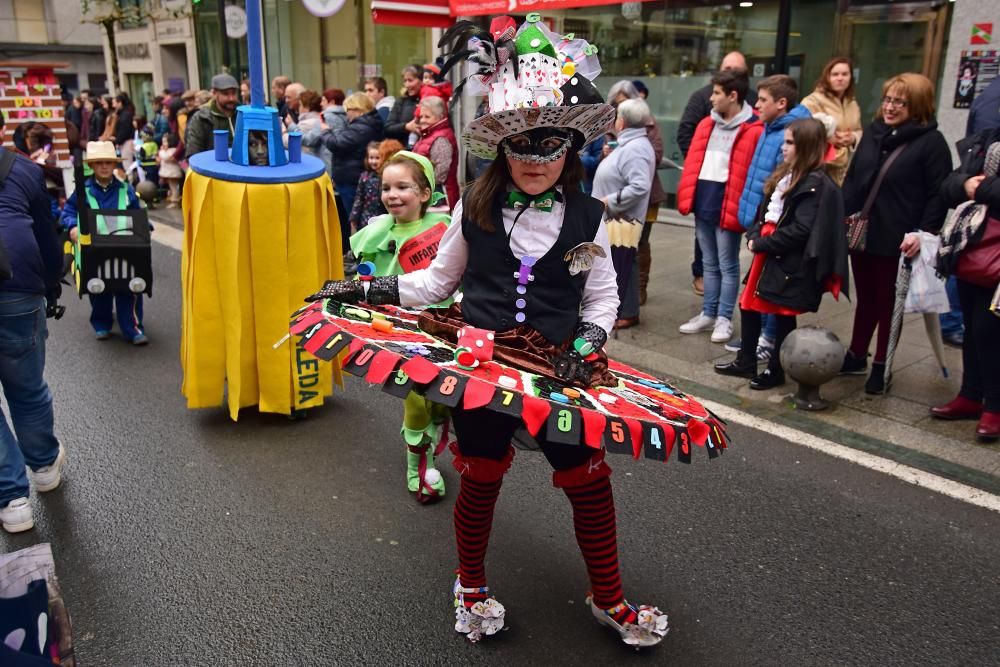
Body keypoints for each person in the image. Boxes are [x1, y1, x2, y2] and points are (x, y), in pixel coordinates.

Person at [306, 15, 668, 647]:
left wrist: (588, 346)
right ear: (502, 147)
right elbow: (433, 286)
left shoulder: (589, 214)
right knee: (480, 474)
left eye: (549, 147)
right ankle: (469, 584)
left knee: (586, 476)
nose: (535, 162)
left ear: (568, 149)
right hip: (483, 368)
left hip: (560, 370)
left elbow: (603, 297)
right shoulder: (474, 206)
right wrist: (365, 288)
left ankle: (607, 595)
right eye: (521, 146)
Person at [349, 151, 454, 501]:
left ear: (424, 194)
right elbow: (363, 275)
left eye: (403, 187)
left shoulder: (445, 229)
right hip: (394, 331)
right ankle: (418, 468)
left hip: (441, 325)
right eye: (386, 187)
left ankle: (437, 425)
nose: (392, 194)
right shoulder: (375, 231)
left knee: (441, 396)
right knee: (414, 397)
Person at [840, 73, 952, 394]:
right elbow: (854, 178)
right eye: (887, 99)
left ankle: (881, 366)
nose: (889, 107)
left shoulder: (931, 143)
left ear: (917, 105)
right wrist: (843, 215)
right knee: (867, 300)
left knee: (890, 304)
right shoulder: (875, 133)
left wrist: (925, 232)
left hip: (899, 238)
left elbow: (938, 194)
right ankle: (857, 353)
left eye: (899, 102)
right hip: (863, 233)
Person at [715, 118, 848, 389]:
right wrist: (754, 235)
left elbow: (801, 230)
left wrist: (762, 244)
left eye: (790, 143)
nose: (784, 148)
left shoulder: (815, 183)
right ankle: (746, 360)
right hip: (769, 253)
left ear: (806, 146)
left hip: (788, 260)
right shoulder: (786, 174)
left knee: (783, 314)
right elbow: (762, 214)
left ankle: (776, 369)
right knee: (748, 305)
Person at [0, 114, 66, 533]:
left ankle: (11, 497)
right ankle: (43, 467)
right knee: (27, 387)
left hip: (17, 290)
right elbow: (46, 235)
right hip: (18, 291)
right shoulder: (22, 169)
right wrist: (52, 288)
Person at [676, 70, 763, 344]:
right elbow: (694, 161)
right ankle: (708, 313)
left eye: (716, 93)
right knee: (709, 263)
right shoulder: (706, 125)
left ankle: (724, 317)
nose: (711, 98)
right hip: (704, 201)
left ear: (733, 96)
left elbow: (752, 172)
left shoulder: (752, 128)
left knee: (727, 264)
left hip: (729, 204)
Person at [730, 75, 812, 353]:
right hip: (763, 230)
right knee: (755, 295)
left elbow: (792, 211)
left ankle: (769, 341)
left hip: (776, 239)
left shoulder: (787, 132)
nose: (756, 104)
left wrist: (763, 236)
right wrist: (755, 227)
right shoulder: (767, 128)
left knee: (774, 296)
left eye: (762, 100)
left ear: (781, 102)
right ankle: (753, 349)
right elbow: (766, 187)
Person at [932, 127, 1000, 441]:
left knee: (990, 330)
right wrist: (965, 183)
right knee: (972, 327)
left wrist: (977, 189)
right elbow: (948, 185)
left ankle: (995, 407)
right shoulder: (987, 139)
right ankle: (971, 394)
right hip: (972, 250)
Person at [61, 141, 148, 345]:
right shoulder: (83, 191)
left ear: (114, 164)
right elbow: (67, 212)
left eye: (108, 162)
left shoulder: (126, 190)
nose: (104, 166)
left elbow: (138, 213)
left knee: (130, 288)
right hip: (95, 248)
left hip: (125, 246)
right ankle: (101, 323)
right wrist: (73, 226)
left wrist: (146, 225)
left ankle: (133, 327)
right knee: (98, 289)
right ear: (92, 165)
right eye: (99, 162)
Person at [591, 97, 656, 329]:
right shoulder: (631, 145)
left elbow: (639, 186)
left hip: (622, 220)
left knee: (622, 263)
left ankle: (626, 312)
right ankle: (621, 310)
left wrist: (609, 201)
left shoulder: (637, 148)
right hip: (616, 219)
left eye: (617, 117)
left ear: (623, 122)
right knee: (618, 262)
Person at [606, 81, 666, 308]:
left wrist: (625, 154)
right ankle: (620, 292)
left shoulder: (647, 125)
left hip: (641, 196)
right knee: (618, 245)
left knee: (638, 243)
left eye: (623, 102)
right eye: (617, 103)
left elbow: (654, 156)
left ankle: (638, 290)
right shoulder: (612, 122)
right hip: (616, 192)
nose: (620, 106)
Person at [320, 92, 384, 248]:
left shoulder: (362, 126)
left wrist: (325, 131)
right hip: (353, 176)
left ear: (357, 109)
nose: (347, 114)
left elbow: (337, 143)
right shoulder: (368, 123)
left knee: (356, 219)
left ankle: (359, 253)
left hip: (351, 178)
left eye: (348, 109)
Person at [801, 57, 862, 186]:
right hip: (822, 171)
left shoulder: (852, 103)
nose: (840, 78)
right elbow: (805, 134)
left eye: (845, 74)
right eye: (835, 74)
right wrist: (831, 139)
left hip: (846, 172)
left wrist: (853, 138)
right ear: (826, 77)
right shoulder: (812, 101)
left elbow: (859, 129)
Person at [412, 96, 459, 210]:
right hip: (427, 190)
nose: (422, 120)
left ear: (440, 117)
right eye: (421, 116)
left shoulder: (441, 138)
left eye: (427, 116)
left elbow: (440, 175)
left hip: (439, 196)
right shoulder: (429, 134)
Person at [349, 139, 403, 233]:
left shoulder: (386, 177)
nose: (373, 161)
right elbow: (359, 198)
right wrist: (354, 216)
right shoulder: (365, 176)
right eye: (371, 157)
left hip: (382, 218)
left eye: (377, 158)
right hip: (365, 218)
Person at [184, 73, 239, 156]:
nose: (231, 98)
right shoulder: (201, 118)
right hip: (212, 168)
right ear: (214, 93)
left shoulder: (243, 115)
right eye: (226, 94)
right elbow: (193, 153)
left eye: (234, 93)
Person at [384, 65, 422, 145]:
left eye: (410, 80)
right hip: (404, 150)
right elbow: (388, 128)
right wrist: (406, 127)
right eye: (405, 81)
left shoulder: (429, 100)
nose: (407, 85)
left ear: (421, 81)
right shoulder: (401, 102)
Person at [157, 133, 184, 208]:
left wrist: (161, 151)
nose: (163, 144)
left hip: (173, 173)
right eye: (163, 142)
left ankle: (175, 200)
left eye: (165, 142)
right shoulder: (170, 150)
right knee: (172, 187)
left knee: (174, 187)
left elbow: (165, 157)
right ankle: (172, 197)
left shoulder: (172, 151)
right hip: (170, 173)